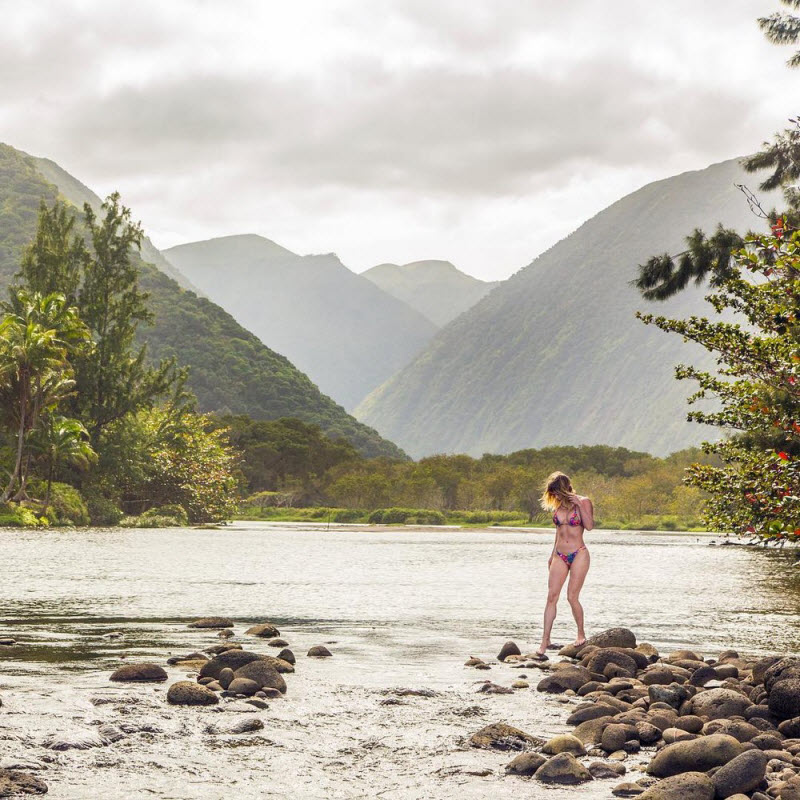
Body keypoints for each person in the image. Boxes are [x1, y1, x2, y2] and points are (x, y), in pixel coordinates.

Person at [536, 471, 594, 657]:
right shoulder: (557, 506)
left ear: (565, 488)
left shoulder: (583, 502)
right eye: (553, 493)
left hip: (579, 553)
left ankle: (580, 634)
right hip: (559, 555)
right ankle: (545, 640)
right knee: (551, 597)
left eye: (557, 492)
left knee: (571, 596)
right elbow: (558, 532)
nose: (555, 496)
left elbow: (590, 526)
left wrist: (578, 504)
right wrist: (552, 554)